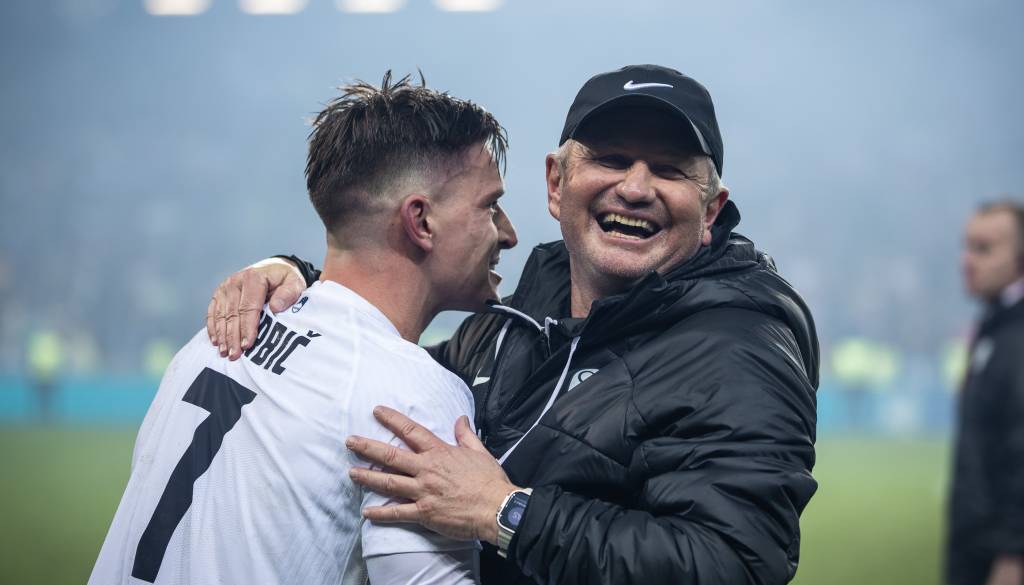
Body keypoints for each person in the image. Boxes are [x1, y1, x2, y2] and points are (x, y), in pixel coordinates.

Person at [210, 64, 819, 584]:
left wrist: (506, 513)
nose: (635, 187)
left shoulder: (739, 347)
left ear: (711, 211)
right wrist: (300, 278)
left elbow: (737, 562)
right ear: (556, 183)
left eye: (669, 170)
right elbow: (391, 377)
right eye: (611, 159)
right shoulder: (521, 314)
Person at [90, 72, 517, 585]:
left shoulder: (217, 338)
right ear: (421, 221)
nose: (508, 233)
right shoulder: (411, 394)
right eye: (489, 206)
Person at [949, 201, 1024, 585]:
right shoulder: (994, 325)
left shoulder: (1015, 335)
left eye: (984, 248)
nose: (968, 260)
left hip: (999, 557)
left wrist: (1014, 553)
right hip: (975, 546)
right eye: (967, 246)